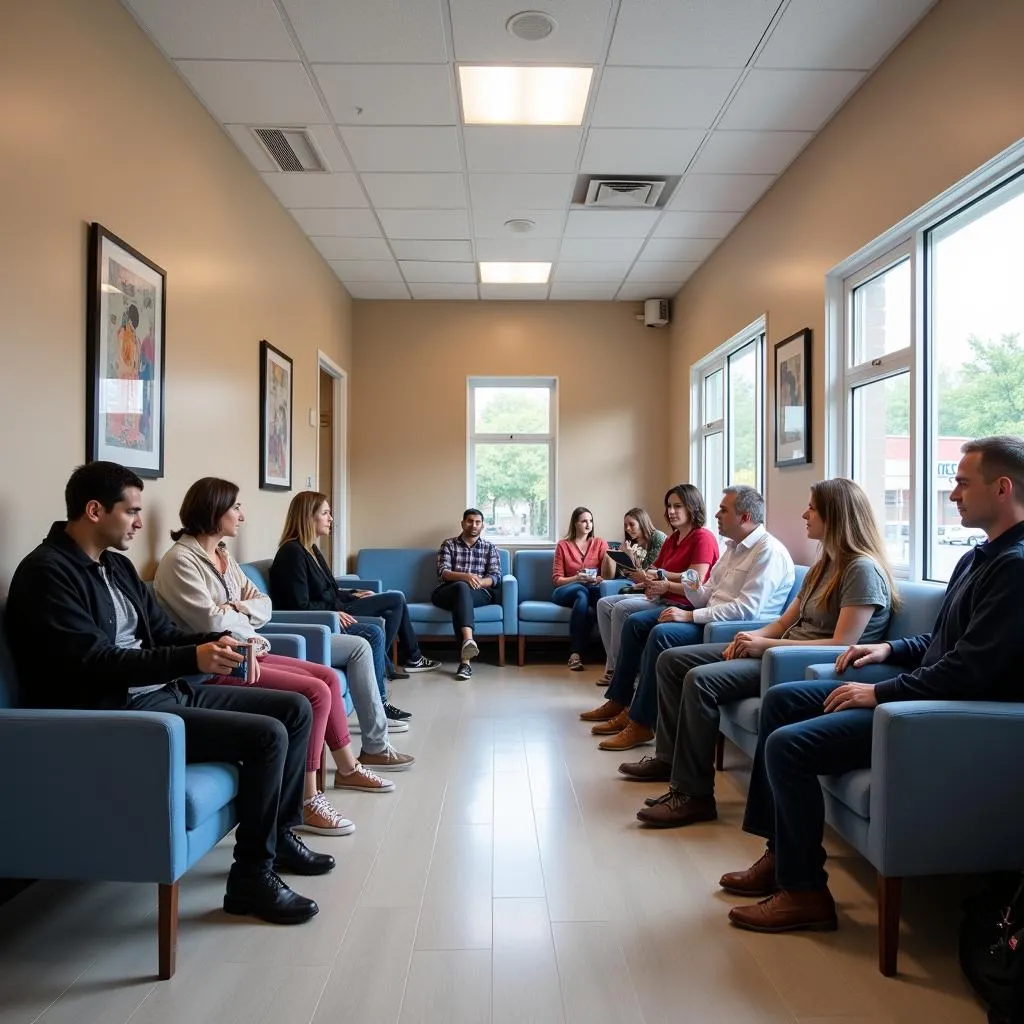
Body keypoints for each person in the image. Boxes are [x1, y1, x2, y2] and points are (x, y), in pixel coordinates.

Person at [4, 462, 330, 925]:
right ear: (95, 511)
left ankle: (278, 840)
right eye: (132, 511)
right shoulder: (46, 575)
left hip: (164, 693)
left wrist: (212, 645)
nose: (140, 522)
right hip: (119, 715)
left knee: (295, 709)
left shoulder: (115, 565)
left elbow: (160, 632)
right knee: (266, 736)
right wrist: (189, 659)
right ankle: (251, 880)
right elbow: (92, 665)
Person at [722, 437, 1024, 935]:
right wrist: (889, 650)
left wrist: (879, 692)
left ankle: (804, 893)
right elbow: (943, 639)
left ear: (1003, 487)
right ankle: (780, 853)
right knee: (781, 701)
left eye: (963, 484)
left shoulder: (1016, 568)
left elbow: (969, 670)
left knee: (787, 748)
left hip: (944, 718)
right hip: (926, 691)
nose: (952, 496)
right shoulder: (978, 558)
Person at [635, 476, 897, 829]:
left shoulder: (861, 570)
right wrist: (752, 637)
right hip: (780, 650)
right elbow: (783, 621)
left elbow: (842, 644)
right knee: (671, 660)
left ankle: (693, 795)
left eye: (813, 509)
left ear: (835, 516)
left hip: (805, 664)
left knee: (699, 681)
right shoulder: (824, 566)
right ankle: (669, 762)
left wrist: (766, 645)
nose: (805, 514)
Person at [153, 478, 406, 839]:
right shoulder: (180, 561)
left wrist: (235, 607)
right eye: (236, 507)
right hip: (216, 664)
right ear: (214, 510)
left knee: (330, 679)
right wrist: (238, 614)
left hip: (249, 649)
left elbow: (264, 605)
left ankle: (348, 768)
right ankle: (308, 797)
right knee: (317, 692)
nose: (242, 515)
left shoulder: (223, 554)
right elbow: (209, 621)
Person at [590, 485, 793, 761]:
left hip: (728, 629)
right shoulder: (733, 548)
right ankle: (623, 704)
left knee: (660, 633)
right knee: (641, 624)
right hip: (710, 617)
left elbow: (746, 610)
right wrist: (684, 585)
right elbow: (707, 591)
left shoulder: (768, 552)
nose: (717, 514)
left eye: (724, 509)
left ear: (744, 517)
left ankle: (640, 722)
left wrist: (688, 614)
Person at [269, 491, 438, 721]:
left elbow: (330, 589)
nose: (331, 519)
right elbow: (298, 605)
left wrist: (353, 593)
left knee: (393, 601)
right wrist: (333, 612)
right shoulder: (292, 553)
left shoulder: (311, 549)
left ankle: (384, 665)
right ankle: (382, 698)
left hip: (335, 610)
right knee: (375, 630)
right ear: (309, 517)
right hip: (320, 621)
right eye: (326, 513)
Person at [584, 483, 720, 750]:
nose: (671, 511)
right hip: (663, 597)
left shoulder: (703, 537)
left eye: (678, 506)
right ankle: (620, 700)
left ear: (693, 507)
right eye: (669, 506)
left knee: (632, 619)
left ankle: (632, 713)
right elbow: (657, 569)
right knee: (623, 614)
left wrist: (661, 578)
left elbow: (696, 580)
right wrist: (647, 576)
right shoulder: (672, 539)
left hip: (686, 605)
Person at [595, 508, 666, 683]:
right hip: (634, 587)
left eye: (631, 524)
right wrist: (609, 556)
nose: (628, 529)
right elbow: (611, 575)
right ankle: (612, 667)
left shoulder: (658, 538)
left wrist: (630, 557)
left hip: (651, 588)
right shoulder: (631, 543)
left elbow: (649, 571)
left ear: (642, 522)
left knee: (619, 605)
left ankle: (620, 672)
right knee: (603, 603)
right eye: (625, 525)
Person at [432, 508, 502, 681]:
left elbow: (495, 577)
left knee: (462, 596)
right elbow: (443, 572)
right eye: (470, 521)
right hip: (447, 591)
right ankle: (468, 642)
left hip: (479, 593)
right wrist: (466, 577)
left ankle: (466, 661)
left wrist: (477, 582)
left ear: (482, 525)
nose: (473, 525)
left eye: (477, 522)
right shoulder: (448, 544)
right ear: (463, 523)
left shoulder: (489, 547)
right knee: (461, 589)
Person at [551, 506, 610, 671]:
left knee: (587, 602)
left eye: (590, 521)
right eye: (584, 521)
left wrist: (600, 578)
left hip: (590, 590)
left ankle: (577, 654)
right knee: (580, 591)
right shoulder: (563, 545)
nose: (588, 524)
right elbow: (557, 580)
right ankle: (576, 653)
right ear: (575, 523)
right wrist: (577, 578)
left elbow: (607, 573)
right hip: (565, 590)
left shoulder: (599, 543)